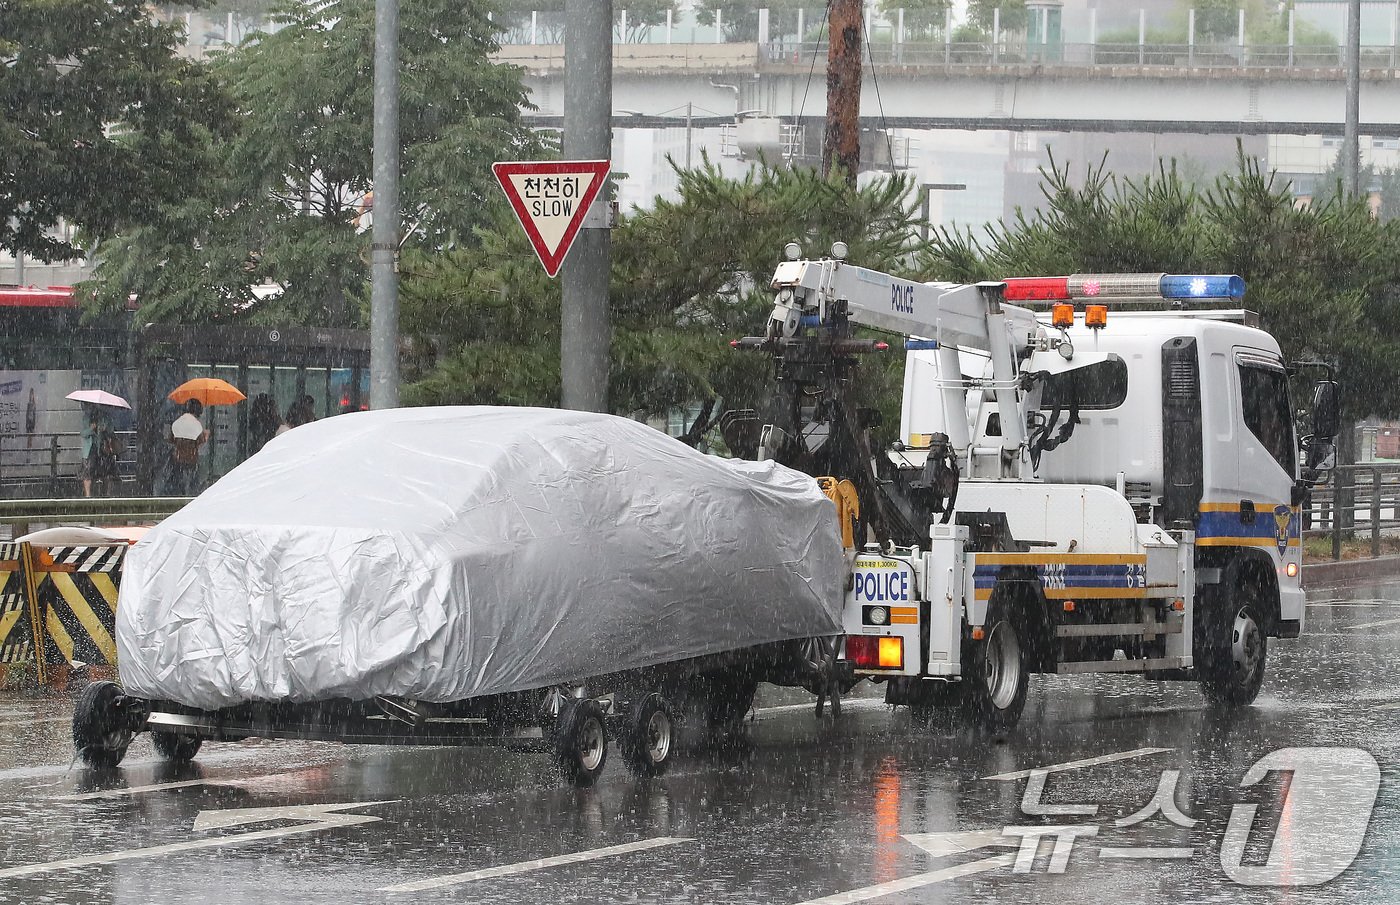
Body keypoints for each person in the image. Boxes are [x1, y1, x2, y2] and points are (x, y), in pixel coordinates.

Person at [168, 400, 209, 496]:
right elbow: (200, 441)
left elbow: (171, 439)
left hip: (178, 460)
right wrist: (206, 435)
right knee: (194, 485)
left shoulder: (177, 422)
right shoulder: (197, 425)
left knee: (178, 484)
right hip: (192, 459)